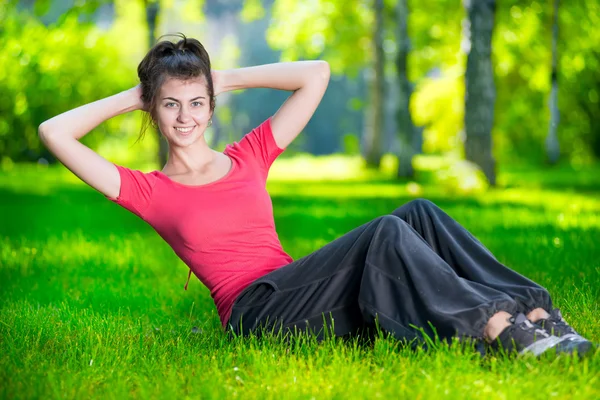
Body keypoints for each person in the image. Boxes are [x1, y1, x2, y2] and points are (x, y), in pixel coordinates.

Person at [39, 34, 594, 357]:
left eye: (196, 102)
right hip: (259, 314)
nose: (185, 116)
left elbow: (317, 74)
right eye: (169, 104)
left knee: (417, 213)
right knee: (384, 233)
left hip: (303, 289)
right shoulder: (147, 190)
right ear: (154, 112)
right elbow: (54, 133)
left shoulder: (247, 155)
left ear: (211, 104)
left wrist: (219, 76)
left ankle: (538, 312)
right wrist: (138, 92)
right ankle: (496, 329)